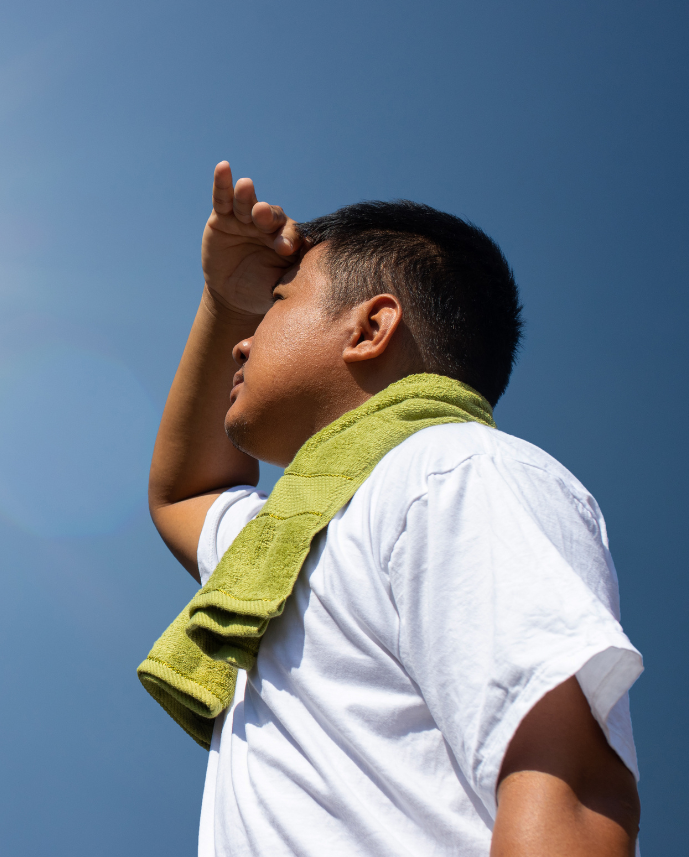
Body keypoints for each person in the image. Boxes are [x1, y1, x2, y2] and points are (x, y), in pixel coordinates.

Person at [143, 161, 641, 857]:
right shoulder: (278, 552)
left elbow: (568, 783)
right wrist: (224, 299)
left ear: (371, 327)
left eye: (277, 300)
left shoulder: (453, 471)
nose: (244, 338)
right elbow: (184, 492)